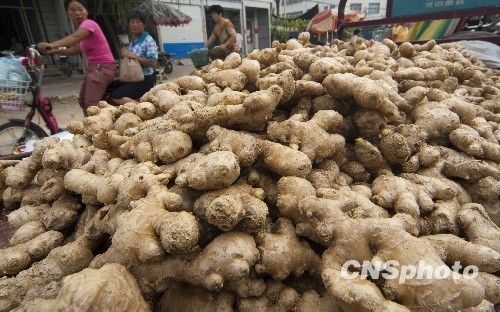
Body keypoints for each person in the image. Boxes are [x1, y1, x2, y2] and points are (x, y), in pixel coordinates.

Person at [37, 0, 115, 115]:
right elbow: (75, 49)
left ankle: (99, 128)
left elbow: (75, 37)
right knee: (83, 101)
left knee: (90, 104)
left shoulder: (89, 24)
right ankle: (92, 126)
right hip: (94, 69)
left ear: (86, 11)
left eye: (80, 9)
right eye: (73, 10)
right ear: (67, 13)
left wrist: (50, 45)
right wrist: (52, 51)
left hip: (102, 67)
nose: (77, 13)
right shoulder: (82, 30)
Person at [107, 11, 158, 105]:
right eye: (132, 22)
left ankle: (141, 108)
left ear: (144, 24)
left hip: (145, 79)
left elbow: (153, 63)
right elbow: (130, 62)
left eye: (138, 22)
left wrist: (131, 55)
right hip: (132, 77)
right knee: (107, 87)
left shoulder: (148, 41)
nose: (135, 25)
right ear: (129, 24)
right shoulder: (133, 41)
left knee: (115, 95)